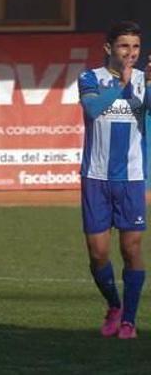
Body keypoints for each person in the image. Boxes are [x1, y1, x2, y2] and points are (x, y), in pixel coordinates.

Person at [76, 20, 147, 339]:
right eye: (124, 46)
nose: (130, 52)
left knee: (131, 249)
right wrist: (122, 83)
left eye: (135, 46)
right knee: (98, 253)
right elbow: (92, 109)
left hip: (131, 178)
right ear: (109, 48)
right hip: (95, 177)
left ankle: (129, 319)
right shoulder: (90, 78)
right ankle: (114, 305)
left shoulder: (145, 81)